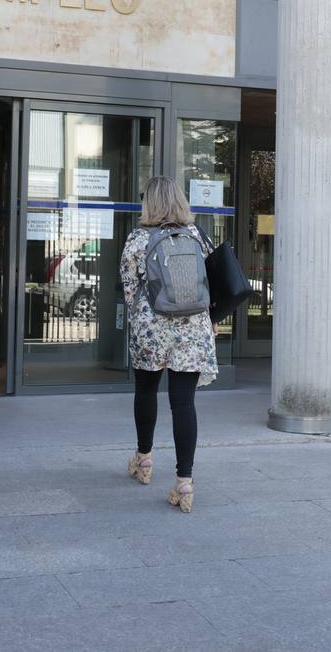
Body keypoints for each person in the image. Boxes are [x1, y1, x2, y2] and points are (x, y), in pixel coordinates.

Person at [119, 175, 217, 513]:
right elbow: (212, 284)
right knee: (183, 403)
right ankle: (184, 482)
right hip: (193, 330)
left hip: (152, 328)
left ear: (150, 202)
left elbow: (130, 291)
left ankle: (144, 460)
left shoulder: (138, 239)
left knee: (146, 391)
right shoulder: (197, 236)